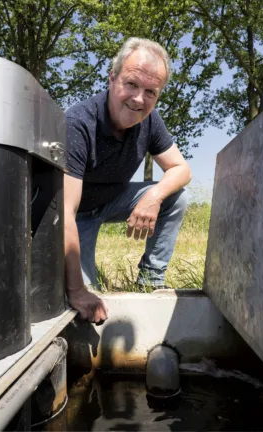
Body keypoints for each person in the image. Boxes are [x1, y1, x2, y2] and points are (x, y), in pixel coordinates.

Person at [62, 37, 192, 323]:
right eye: (131, 84)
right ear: (112, 78)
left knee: (176, 195)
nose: (138, 99)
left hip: (111, 202)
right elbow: (64, 212)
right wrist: (76, 289)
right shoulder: (78, 124)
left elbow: (181, 169)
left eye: (150, 92)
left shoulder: (150, 121)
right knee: (85, 303)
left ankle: (150, 281)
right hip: (77, 214)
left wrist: (154, 196)